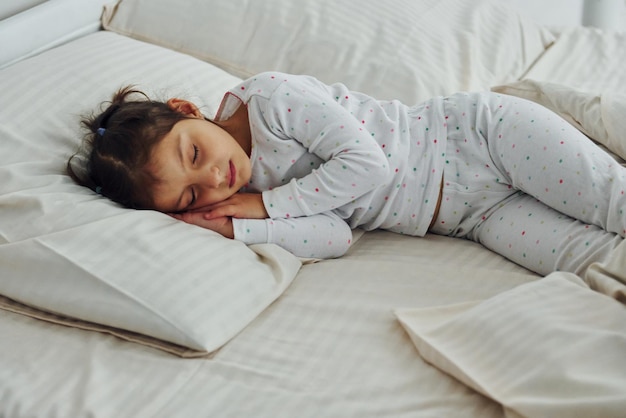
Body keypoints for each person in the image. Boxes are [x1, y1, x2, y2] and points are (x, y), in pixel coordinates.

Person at [68, 72, 626, 276]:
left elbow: (366, 165)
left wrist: (269, 208)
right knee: (585, 261)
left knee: (611, 200)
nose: (214, 180)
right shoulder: (245, 196)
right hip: (472, 216)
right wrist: (238, 227)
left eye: (194, 155)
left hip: (481, 140)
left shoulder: (273, 100)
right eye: (190, 194)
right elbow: (336, 236)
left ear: (188, 111)